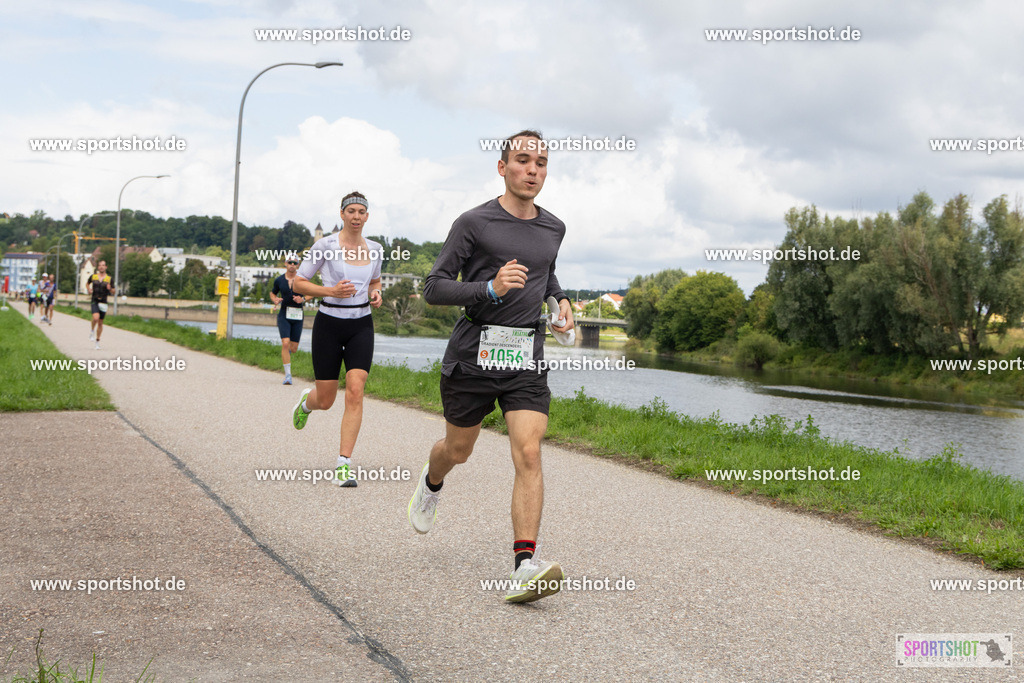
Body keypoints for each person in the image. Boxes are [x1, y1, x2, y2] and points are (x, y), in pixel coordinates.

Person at [407, 130, 575, 604]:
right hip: (474, 353)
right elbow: (434, 287)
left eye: (541, 163)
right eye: (523, 161)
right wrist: (489, 288)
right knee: (458, 449)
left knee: (529, 451)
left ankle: (524, 565)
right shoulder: (473, 223)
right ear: (502, 167)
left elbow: (546, 271)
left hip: (525, 354)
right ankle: (432, 480)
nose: (533, 170)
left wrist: (560, 301)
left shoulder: (554, 227)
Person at [290, 191, 383, 488]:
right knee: (327, 400)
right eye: (351, 211)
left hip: (361, 325)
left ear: (367, 216)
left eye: (361, 212)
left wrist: (376, 292)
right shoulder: (325, 246)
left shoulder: (376, 249)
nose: (356, 216)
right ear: (342, 214)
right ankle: (307, 403)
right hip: (329, 324)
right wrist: (331, 292)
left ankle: (343, 465)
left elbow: (375, 280)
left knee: (355, 389)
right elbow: (299, 282)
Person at [270, 255, 307, 384]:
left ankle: (287, 356)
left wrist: (303, 299)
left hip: (298, 315)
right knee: (285, 343)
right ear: (285, 263)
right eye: (290, 262)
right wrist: (275, 299)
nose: (292, 264)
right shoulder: (279, 280)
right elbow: (273, 292)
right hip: (284, 314)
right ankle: (288, 375)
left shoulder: (302, 279)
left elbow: (312, 293)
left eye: (295, 263)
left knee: (293, 348)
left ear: (298, 265)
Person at [87, 260, 114, 350]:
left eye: (103, 265)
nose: (101, 267)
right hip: (95, 300)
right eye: (100, 265)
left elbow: (114, 291)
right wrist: (89, 289)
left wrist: (110, 289)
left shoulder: (109, 279)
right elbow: (87, 283)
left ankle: (97, 342)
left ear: (106, 267)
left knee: (100, 323)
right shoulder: (93, 277)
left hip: (104, 302)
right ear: (98, 267)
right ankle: (91, 331)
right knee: (95, 318)